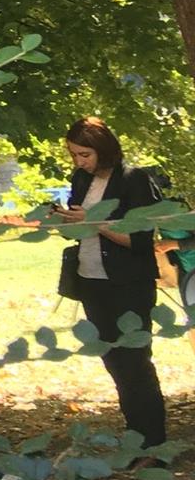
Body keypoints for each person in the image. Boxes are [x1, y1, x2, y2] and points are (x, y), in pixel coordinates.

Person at [55, 117, 167, 449]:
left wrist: (94, 222)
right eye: (74, 155)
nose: (79, 162)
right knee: (113, 362)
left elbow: (140, 240)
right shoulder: (80, 179)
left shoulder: (133, 180)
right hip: (91, 281)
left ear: (103, 149)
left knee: (135, 362)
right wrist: (62, 221)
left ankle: (153, 444)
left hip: (128, 284)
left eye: (84, 154)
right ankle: (135, 436)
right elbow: (80, 229)